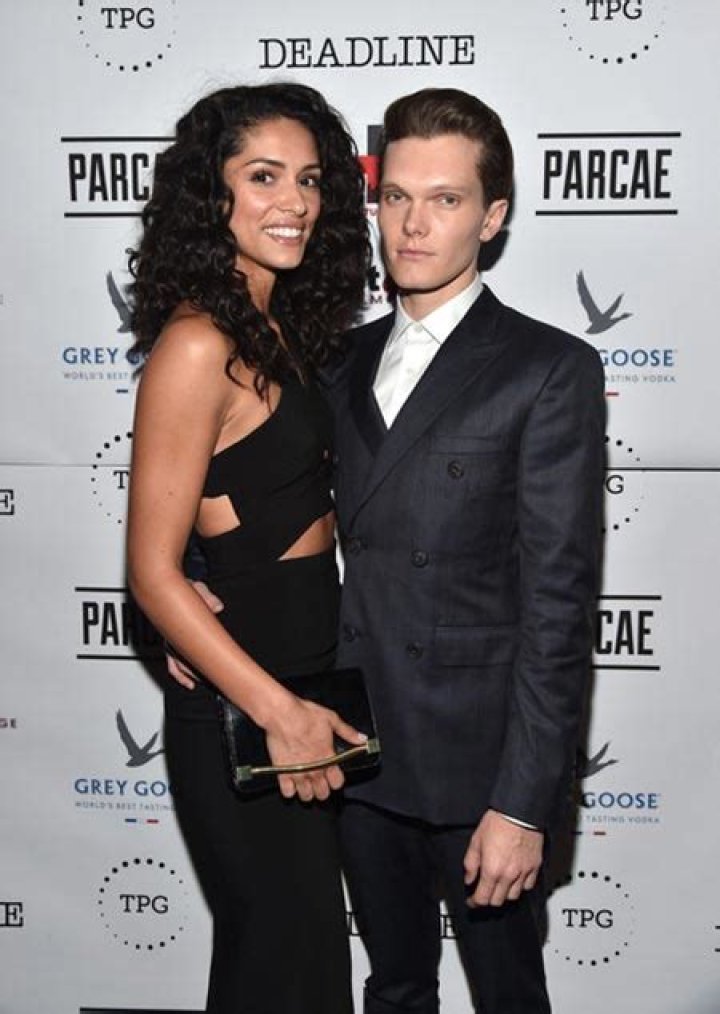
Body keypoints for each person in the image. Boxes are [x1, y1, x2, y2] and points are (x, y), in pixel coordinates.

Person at [329, 88, 606, 1013]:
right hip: (356, 749)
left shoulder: (548, 368)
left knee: (507, 997)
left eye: (445, 200)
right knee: (393, 988)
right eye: (396, 197)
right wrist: (196, 581)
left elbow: (559, 605)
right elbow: (263, 497)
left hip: (480, 765)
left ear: (491, 218)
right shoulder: (337, 360)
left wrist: (523, 802)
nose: (413, 225)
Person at [126, 82, 369, 1014]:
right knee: (278, 971)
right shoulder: (197, 343)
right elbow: (151, 570)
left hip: (307, 678)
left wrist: (303, 706)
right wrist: (278, 711)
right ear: (211, 193)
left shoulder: (280, 329)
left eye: (309, 179)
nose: (294, 201)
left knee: (303, 973)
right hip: (249, 699)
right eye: (264, 176)